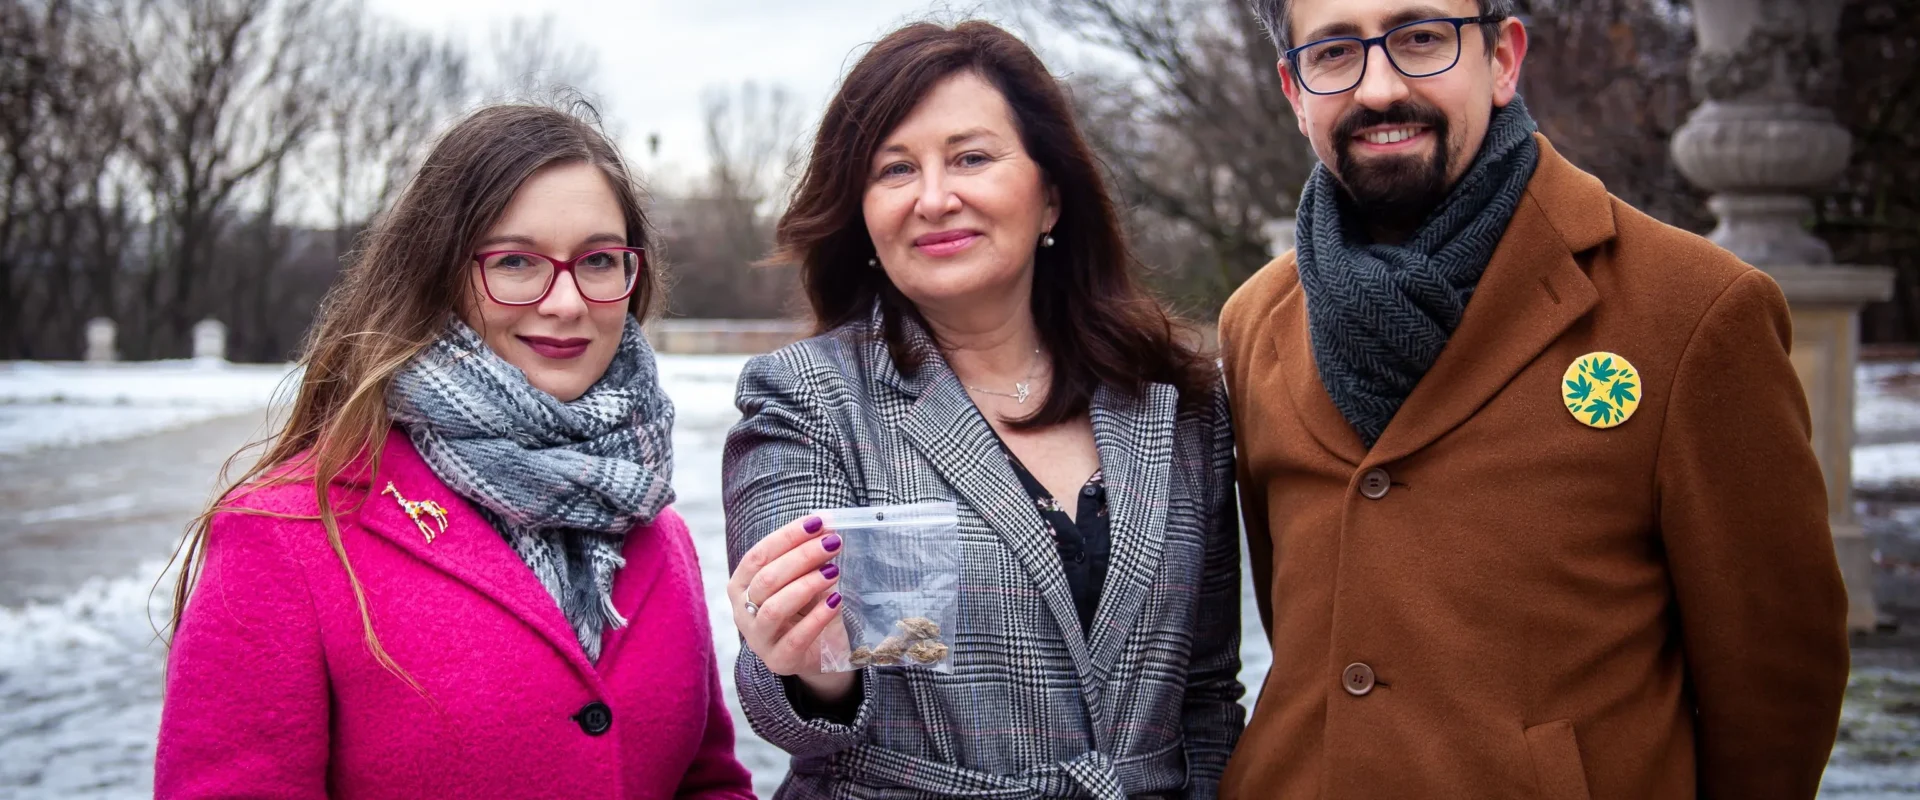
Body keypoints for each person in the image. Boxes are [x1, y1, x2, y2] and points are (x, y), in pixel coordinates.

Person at [1218, 0, 1850, 797]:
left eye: (1419, 39)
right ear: (1294, 90)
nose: (1377, 88)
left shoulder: (1692, 310)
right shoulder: (1254, 324)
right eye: (1335, 53)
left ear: (1503, 59)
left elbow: (1775, 681)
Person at [156, 104, 754, 800]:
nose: (565, 301)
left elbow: (708, 783)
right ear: (436, 275)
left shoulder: (653, 525)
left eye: (596, 259)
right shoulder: (287, 534)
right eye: (515, 261)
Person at [721, 20, 1244, 800]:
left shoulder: (1177, 401)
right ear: (862, 213)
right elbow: (790, 711)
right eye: (896, 169)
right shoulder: (806, 400)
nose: (935, 198)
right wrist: (808, 665)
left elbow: (1205, 692)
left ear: (1051, 196)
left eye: (971, 157)